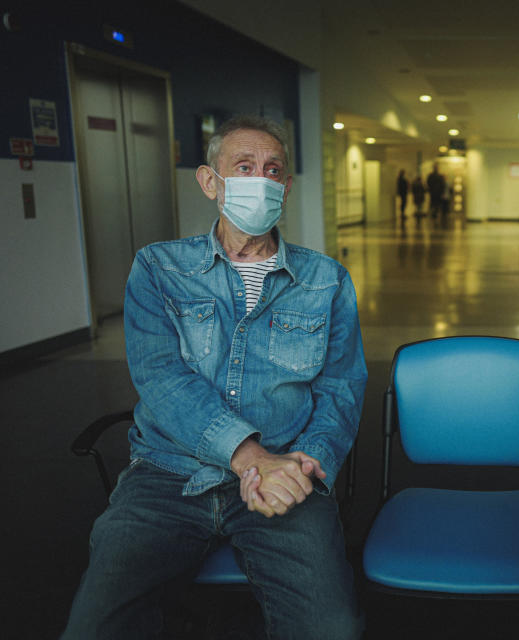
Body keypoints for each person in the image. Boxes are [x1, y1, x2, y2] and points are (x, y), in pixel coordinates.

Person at [62, 115, 366, 640]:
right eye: (243, 167)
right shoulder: (158, 268)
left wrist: (308, 464)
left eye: (273, 171)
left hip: (287, 472)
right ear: (210, 182)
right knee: (95, 625)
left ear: (287, 187)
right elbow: (161, 376)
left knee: (330, 628)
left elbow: (341, 386)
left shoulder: (327, 279)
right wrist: (252, 459)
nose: (261, 180)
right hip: (170, 475)